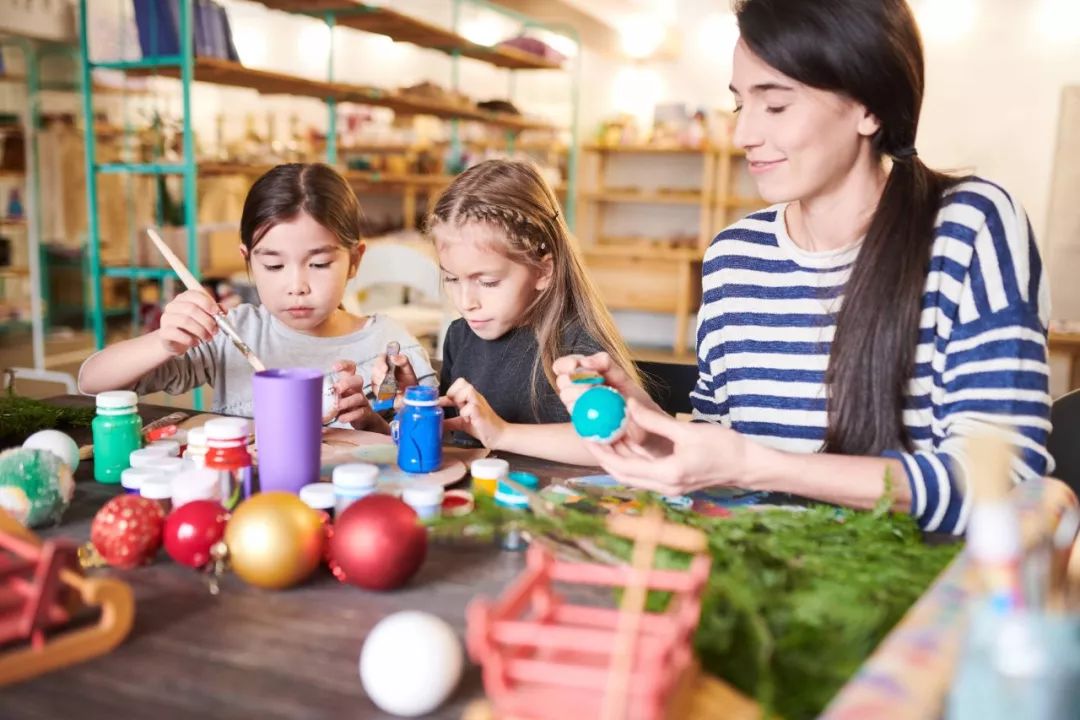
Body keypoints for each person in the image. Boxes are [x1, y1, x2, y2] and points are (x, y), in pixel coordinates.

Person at [555, 0, 1051, 534]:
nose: (743, 134)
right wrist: (652, 431)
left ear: (869, 107)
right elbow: (721, 456)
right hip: (757, 569)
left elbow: (1003, 483)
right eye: (738, 105)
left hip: (914, 590)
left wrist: (753, 463)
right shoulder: (733, 259)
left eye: (775, 106)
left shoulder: (967, 227)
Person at [79, 163, 436, 430]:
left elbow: (434, 443)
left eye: (320, 263)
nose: (297, 285)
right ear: (248, 261)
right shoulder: (233, 334)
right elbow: (91, 382)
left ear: (354, 261)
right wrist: (164, 342)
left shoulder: (390, 348)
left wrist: (375, 423)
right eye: (274, 266)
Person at [374, 159, 641, 465]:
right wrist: (417, 400)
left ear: (543, 271)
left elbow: (615, 441)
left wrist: (503, 433)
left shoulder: (577, 348)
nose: (466, 301)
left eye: (487, 282)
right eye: (451, 278)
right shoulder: (460, 336)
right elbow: (457, 433)